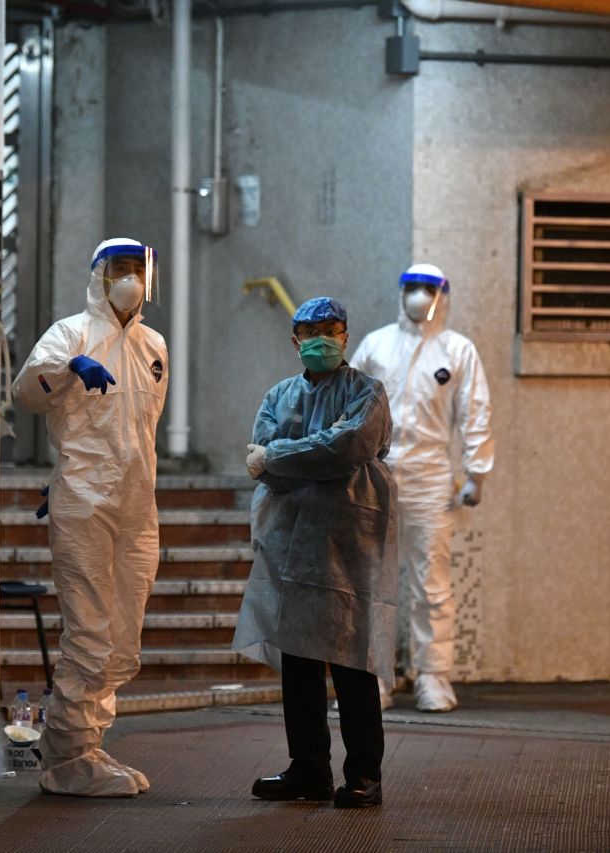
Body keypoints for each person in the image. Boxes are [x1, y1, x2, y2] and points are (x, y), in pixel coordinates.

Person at [10, 237, 168, 797]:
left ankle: (89, 744)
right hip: (84, 502)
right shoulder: (69, 332)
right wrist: (70, 366)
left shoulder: (154, 345)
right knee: (89, 631)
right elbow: (27, 391)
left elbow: (140, 432)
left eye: (136, 269)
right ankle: (65, 759)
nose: (129, 279)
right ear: (99, 275)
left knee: (123, 635)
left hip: (136, 504)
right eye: (119, 269)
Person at [233, 297, 398, 809]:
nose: (322, 338)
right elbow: (264, 458)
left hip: (349, 542)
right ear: (295, 338)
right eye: (311, 330)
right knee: (300, 662)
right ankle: (308, 769)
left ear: (346, 336)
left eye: (331, 329)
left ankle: (363, 773)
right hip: (292, 545)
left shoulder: (368, 393)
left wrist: (283, 456)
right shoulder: (278, 396)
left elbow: (347, 447)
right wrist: (291, 459)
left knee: (353, 661)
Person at [349, 263, 493, 712]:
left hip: (431, 478)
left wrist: (476, 473)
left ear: (442, 295)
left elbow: (475, 412)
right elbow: (347, 403)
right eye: (411, 287)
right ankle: (374, 679)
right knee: (373, 580)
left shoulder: (457, 350)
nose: (418, 296)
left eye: (427, 289)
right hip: (377, 472)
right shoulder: (377, 345)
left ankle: (433, 675)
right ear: (400, 293)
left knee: (432, 581)